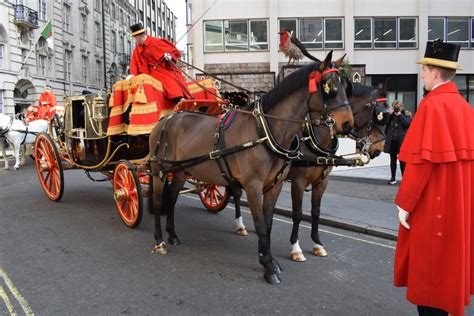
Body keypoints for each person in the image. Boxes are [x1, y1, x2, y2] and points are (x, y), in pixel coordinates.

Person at [394, 39, 474, 316]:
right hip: (459, 207)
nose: (422, 75)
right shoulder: (466, 109)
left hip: (433, 208)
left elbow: (419, 164)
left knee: (429, 279)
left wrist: (404, 203)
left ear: (435, 72)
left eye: (425, 70)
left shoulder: (431, 106)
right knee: (449, 270)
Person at [127, 22, 191, 103]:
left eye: (135, 38)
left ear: (139, 36)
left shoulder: (156, 42)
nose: (134, 40)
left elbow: (175, 52)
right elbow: (134, 63)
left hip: (162, 69)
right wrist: (132, 75)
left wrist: (170, 56)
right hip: (145, 73)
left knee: (168, 81)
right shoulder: (136, 49)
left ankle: (179, 99)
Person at [384, 100, 412, 184]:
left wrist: (400, 115)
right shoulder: (391, 116)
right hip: (392, 141)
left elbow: (407, 124)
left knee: (402, 161)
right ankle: (393, 178)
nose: (396, 109)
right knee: (392, 160)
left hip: (402, 141)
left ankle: (404, 179)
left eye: (398, 107)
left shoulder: (406, 114)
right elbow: (386, 126)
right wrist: (390, 115)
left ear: (402, 107)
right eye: (394, 107)